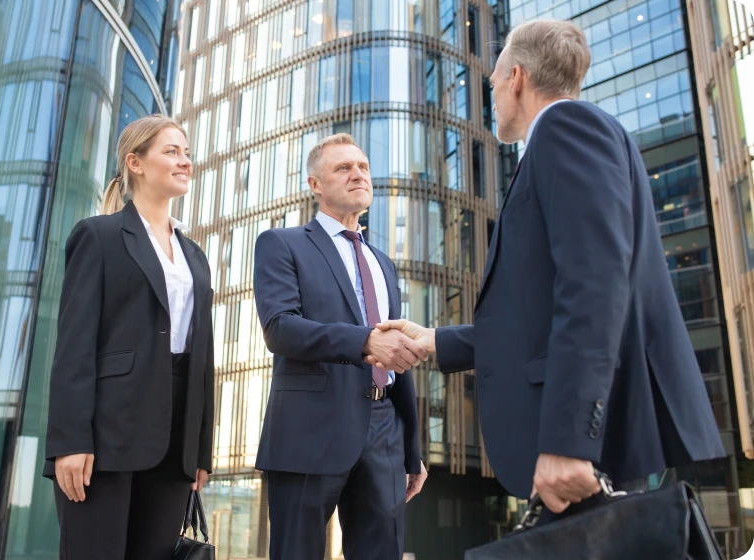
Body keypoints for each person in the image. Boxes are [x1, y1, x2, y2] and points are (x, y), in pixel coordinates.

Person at [373, 19, 725, 525]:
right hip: (594, 437)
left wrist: (567, 440)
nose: (491, 93)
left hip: (590, 443)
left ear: (516, 77)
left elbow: (594, 287)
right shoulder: (569, 138)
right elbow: (539, 317)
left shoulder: (565, 129)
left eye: (492, 80)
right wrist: (433, 341)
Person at [43, 115, 215, 558]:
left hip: (175, 441)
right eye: (172, 152)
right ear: (135, 163)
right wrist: (71, 441)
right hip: (106, 436)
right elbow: (74, 346)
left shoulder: (195, 255)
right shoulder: (97, 236)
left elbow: (203, 358)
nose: (185, 162)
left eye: (187, 153)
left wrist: (201, 450)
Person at [253, 133, 429, 559]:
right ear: (315, 184)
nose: (358, 174)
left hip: (385, 430)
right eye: (343, 168)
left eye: (363, 167)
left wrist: (411, 449)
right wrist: (365, 340)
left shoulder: (383, 263)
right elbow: (280, 328)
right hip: (308, 428)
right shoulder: (282, 243)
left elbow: (397, 353)